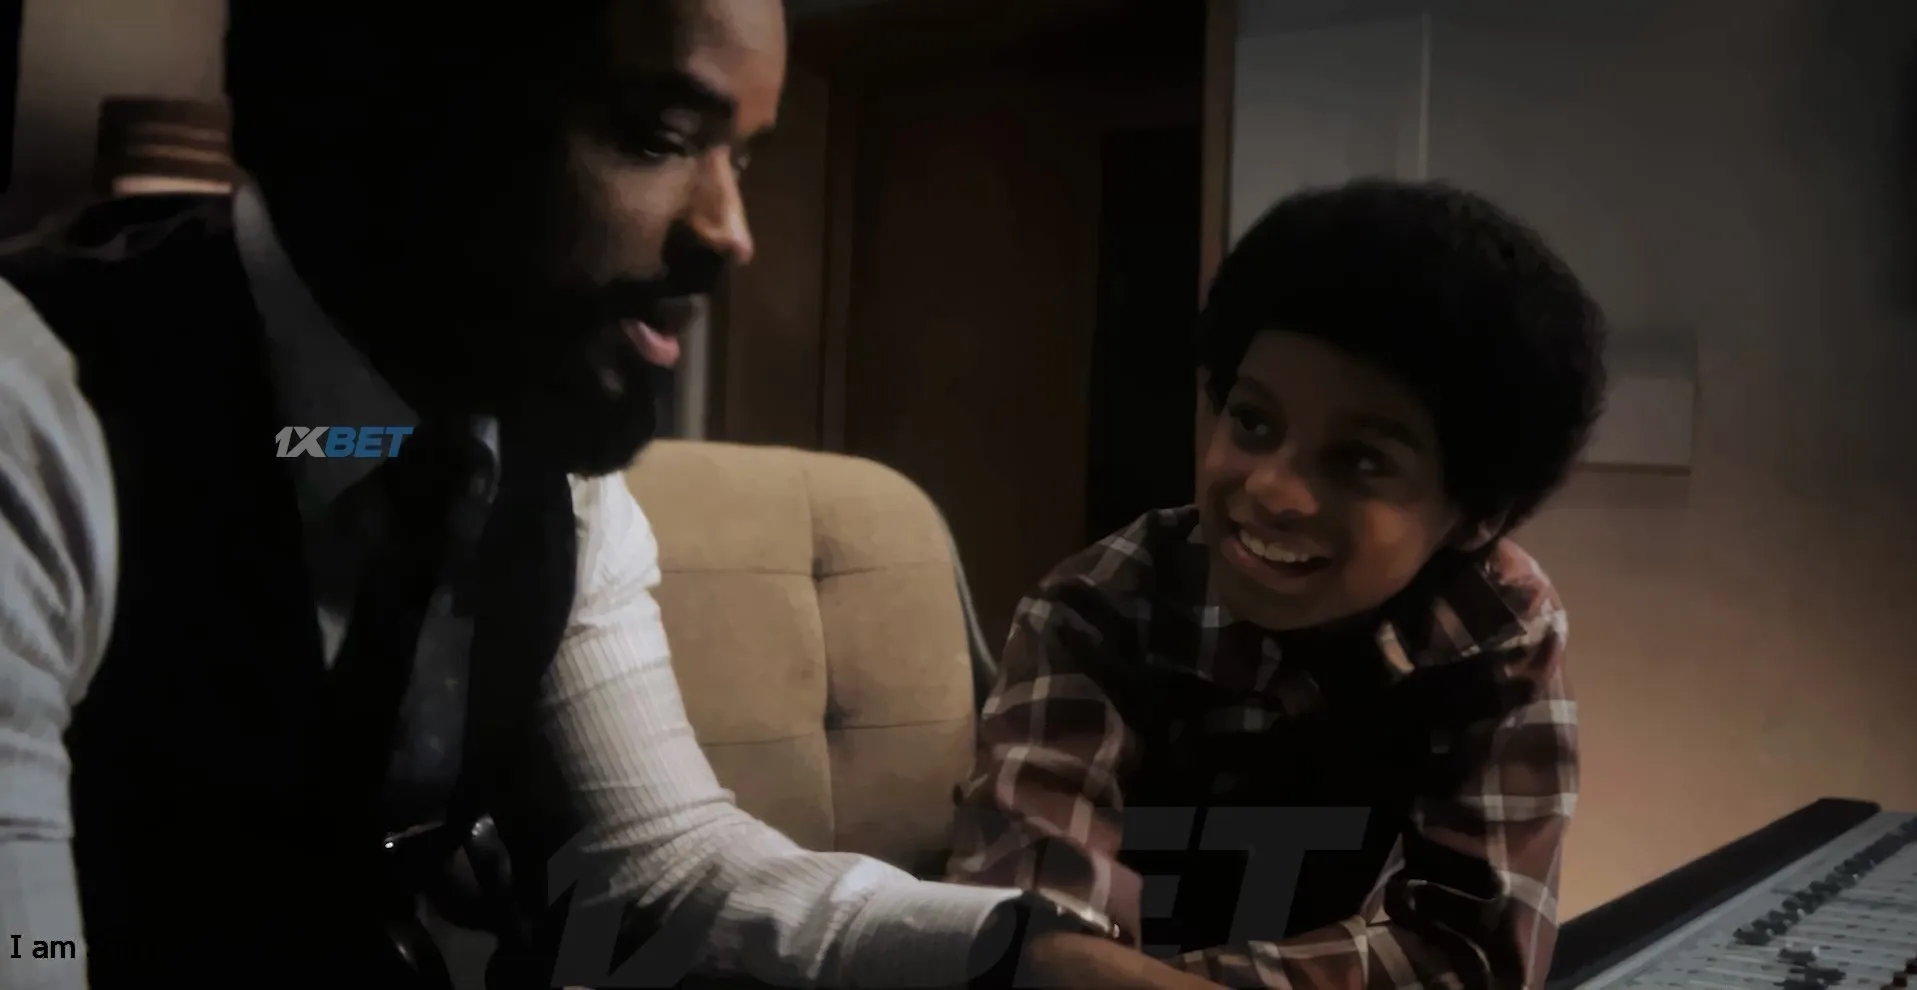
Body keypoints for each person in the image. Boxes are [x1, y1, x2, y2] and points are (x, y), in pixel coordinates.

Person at [0, 2, 1108, 987]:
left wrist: (1033, 955)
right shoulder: (40, 415)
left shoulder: (543, 465)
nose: (731, 233)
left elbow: (668, 862)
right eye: (656, 136)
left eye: (740, 157)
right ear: (388, 108)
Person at [948, 179, 1603, 990]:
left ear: (1477, 516)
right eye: (1253, 421)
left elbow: (1467, 956)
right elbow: (1021, 937)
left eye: (1360, 459)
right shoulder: (1104, 605)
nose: (1271, 491)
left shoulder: (1493, 627)